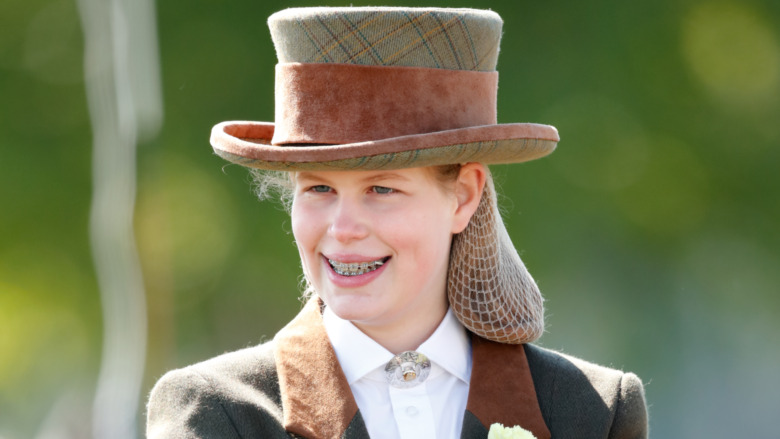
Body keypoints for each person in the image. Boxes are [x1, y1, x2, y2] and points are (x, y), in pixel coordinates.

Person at [146, 6, 648, 439]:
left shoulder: (592, 412)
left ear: (464, 196)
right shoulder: (217, 413)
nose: (342, 228)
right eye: (319, 188)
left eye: (381, 189)